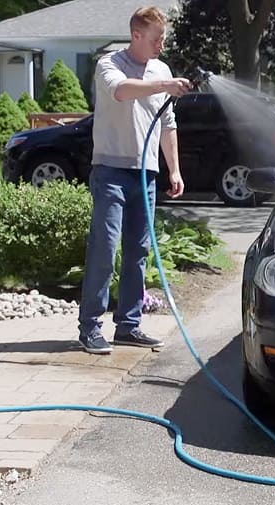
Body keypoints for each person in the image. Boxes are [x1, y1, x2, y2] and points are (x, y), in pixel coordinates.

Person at [77, 6, 191, 354]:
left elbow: (167, 124)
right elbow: (122, 91)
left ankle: (128, 325)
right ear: (136, 35)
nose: (161, 44)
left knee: (138, 251)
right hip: (110, 171)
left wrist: (174, 169)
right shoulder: (109, 64)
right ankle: (90, 328)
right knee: (105, 248)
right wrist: (165, 84)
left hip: (146, 174)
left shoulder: (161, 69)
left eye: (163, 38)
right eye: (156, 38)